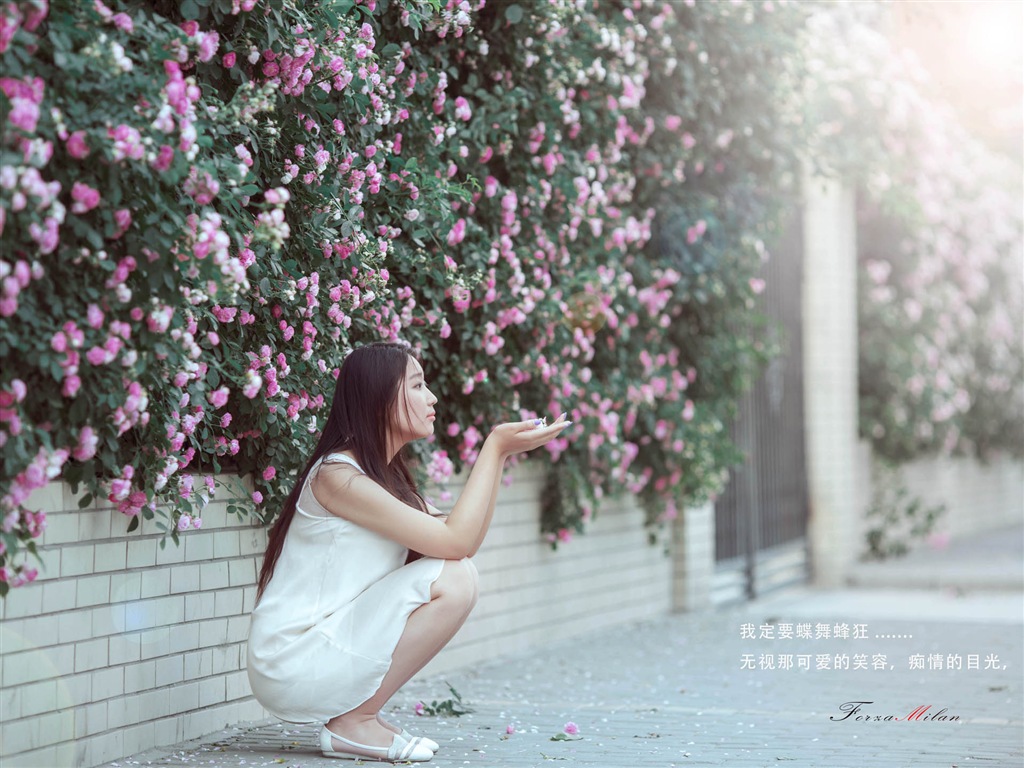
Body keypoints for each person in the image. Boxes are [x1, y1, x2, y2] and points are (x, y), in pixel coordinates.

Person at [246, 341, 571, 763]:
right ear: (381, 398)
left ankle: (360, 716)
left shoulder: (382, 479)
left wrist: (503, 453)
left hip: (322, 648)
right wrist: (492, 447)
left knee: (459, 572)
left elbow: (458, 536)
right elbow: (458, 543)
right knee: (454, 578)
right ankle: (353, 722)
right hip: (291, 660)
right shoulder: (337, 477)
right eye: (417, 385)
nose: (431, 397)